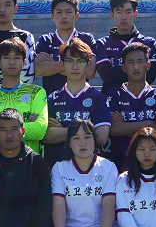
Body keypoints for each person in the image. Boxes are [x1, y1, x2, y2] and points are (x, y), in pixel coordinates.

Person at [0, 38, 49, 156]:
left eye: (17, 57)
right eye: (6, 57)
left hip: (29, 163)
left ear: (24, 62)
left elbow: (40, 130)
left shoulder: (36, 92)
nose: (12, 62)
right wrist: (24, 126)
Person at [44, 38, 111, 166]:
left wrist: (63, 130)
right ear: (62, 64)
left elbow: (101, 137)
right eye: (69, 61)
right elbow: (47, 136)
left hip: (90, 169)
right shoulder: (52, 98)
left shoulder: (99, 99)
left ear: (88, 64)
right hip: (58, 167)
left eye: (80, 61)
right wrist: (88, 130)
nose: (75, 67)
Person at [105, 43, 156, 172]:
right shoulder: (114, 93)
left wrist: (125, 126)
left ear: (148, 65)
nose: (136, 67)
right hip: (122, 163)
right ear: (123, 67)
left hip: (154, 165)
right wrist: (149, 124)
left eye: (140, 62)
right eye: (131, 62)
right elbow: (113, 129)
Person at [94, 0, 156, 94]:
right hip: (111, 99)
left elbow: (150, 76)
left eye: (128, 12)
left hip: (141, 99)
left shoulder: (149, 43)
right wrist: (138, 70)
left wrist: (115, 70)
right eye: (119, 12)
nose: (124, 17)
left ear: (135, 14)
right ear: (112, 15)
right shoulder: (102, 44)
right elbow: (106, 75)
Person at [34, 0, 97, 94]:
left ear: (76, 16)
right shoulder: (45, 40)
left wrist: (52, 64)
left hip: (81, 98)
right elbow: (39, 70)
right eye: (59, 12)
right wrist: (77, 67)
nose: (63, 16)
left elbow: (90, 72)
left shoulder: (86, 39)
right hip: (52, 99)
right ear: (52, 16)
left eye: (68, 12)